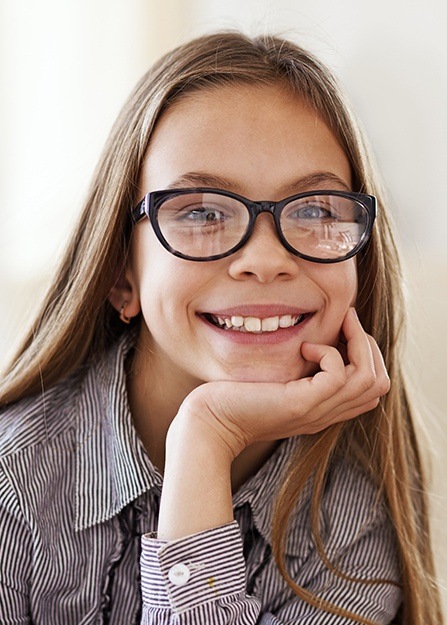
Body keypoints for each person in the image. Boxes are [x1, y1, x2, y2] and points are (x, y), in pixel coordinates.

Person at [0, 31, 442, 625]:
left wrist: (205, 440)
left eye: (315, 209)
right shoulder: (12, 488)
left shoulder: (349, 518)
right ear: (119, 276)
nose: (264, 259)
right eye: (203, 212)